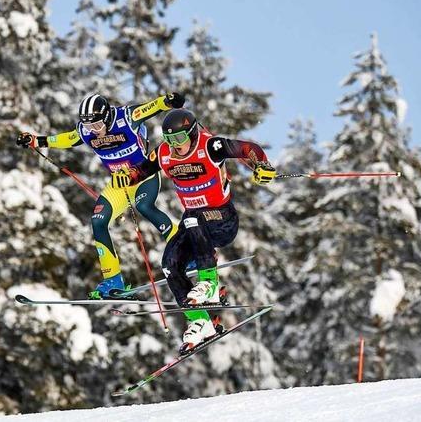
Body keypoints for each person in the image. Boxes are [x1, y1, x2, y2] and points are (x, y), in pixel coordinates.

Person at [113, 108, 276, 353]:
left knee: (193, 218)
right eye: (169, 140)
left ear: (191, 132)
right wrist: (128, 176)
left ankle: (209, 283)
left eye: (179, 139)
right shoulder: (165, 153)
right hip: (194, 225)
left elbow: (247, 149)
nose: (175, 145)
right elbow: (143, 169)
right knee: (170, 264)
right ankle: (203, 322)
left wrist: (262, 165)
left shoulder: (211, 146)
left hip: (222, 220)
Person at [16, 93, 185, 299]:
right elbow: (66, 138)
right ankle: (114, 280)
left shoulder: (126, 117)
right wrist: (36, 140)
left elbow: (152, 107)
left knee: (145, 207)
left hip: (143, 177)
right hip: (119, 184)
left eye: (97, 125)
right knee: (98, 221)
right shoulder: (86, 130)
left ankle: (185, 252)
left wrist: (169, 101)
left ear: (106, 117)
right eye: (89, 126)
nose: (94, 131)